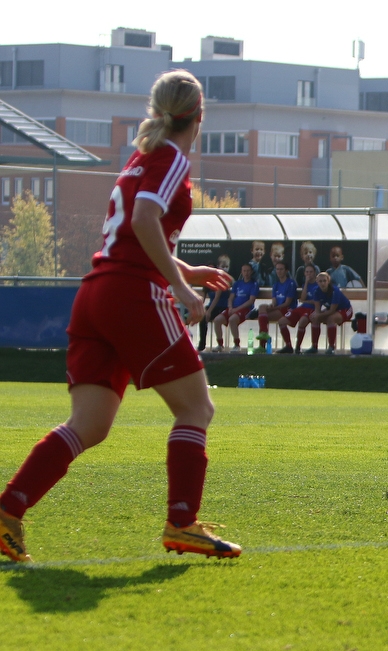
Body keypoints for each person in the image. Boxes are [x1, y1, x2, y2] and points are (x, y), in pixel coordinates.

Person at [0, 70, 241, 563]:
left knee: (88, 425)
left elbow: (132, 230)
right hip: (133, 294)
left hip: (96, 294)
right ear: (198, 118)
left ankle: (6, 513)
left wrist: (182, 268)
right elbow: (143, 220)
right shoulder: (172, 155)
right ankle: (182, 524)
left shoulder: (142, 156)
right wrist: (176, 285)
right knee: (196, 409)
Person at [211, 263, 258, 351]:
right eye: (244, 271)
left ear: (251, 272)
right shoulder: (237, 283)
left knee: (232, 319)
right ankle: (220, 345)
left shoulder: (254, 284)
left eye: (248, 271)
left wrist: (236, 309)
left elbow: (251, 301)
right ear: (242, 272)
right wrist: (230, 307)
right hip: (233, 308)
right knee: (217, 320)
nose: (246, 273)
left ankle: (237, 344)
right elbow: (231, 298)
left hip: (245, 309)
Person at [255, 261, 297, 349]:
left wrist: (273, 308)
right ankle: (264, 335)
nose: (279, 271)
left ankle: (263, 345)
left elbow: (287, 303)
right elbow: (274, 301)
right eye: (277, 269)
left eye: (281, 269)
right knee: (262, 308)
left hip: (288, 309)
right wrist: (271, 306)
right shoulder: (276, 284)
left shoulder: (291, 283)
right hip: (279, 308)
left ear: (286, 271)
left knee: (263, 317)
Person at [277, 265, 318, 354]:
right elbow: (302, 298)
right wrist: (306, 283)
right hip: (302, 307)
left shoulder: (318, 284)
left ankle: (298, 347)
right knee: (281, 321)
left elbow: (317, 302)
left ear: (314, 273)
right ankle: (288, 346)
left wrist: (307, 300)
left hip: (312, 309)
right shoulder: (305, 284)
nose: (309, 274)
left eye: (311, 272)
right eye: (307, 272)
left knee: (303, 321)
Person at [311, 271, 353, 355]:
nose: (322, 283)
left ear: (328, 281)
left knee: (331, 318)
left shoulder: (335, 291)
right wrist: (317, 315)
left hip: (345, 309)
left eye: (324, 281)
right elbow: (317, 309)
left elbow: (332, 311)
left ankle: (331, 347)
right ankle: (314, 346)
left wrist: (319, 315)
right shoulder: (316, 291)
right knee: (314, 318)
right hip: (331, 309)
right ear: (317, 282)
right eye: (320, 281)